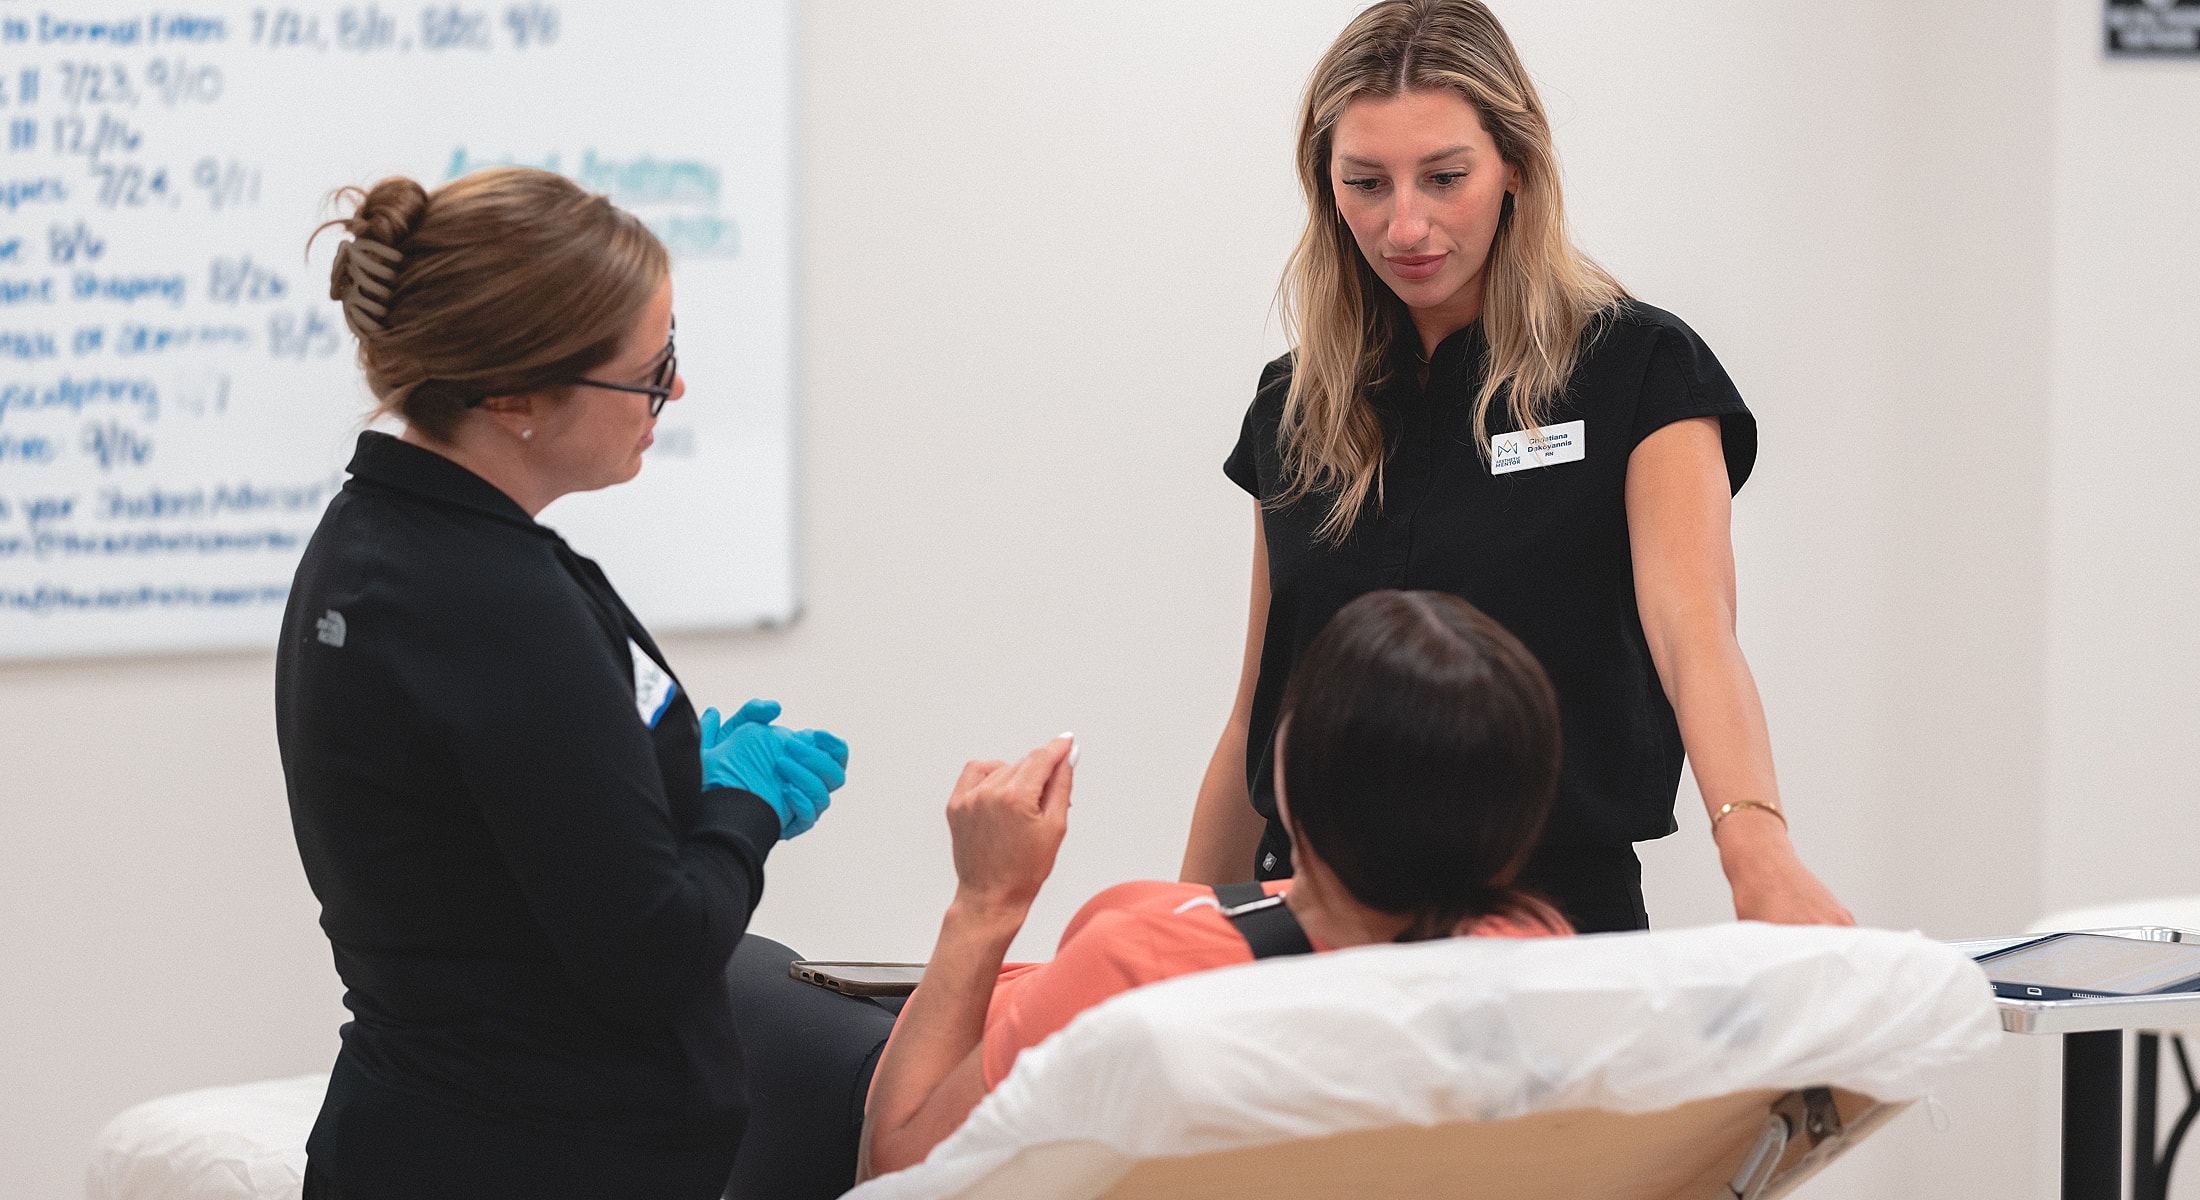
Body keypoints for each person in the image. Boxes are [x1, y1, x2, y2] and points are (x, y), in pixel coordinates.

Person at [1178, 0, 1853, 933]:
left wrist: (1758, 854)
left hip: (1546, 923)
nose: (1405, 226)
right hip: (1312, 928)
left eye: (1444, 177)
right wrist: (1175, 936)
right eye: (1367, 183)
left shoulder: (1637, 371)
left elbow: (1692, 629)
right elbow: (1261, 701)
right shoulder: (1296, 405)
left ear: (1515, 171)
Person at [277, 167, 848, 1200]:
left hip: (432, 1130)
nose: (672, 391)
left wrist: (656, 780)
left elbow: (488, 835)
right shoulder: (490, 602)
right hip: (528, 1156)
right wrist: (740, 807)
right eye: (648, 369)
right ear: (513, 398)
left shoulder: (377, 537)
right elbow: (654, 955)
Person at [723, 590, 1571, 1193]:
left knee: (732, 970)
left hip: (890, 1086)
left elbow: (897, 1168)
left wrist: (987, 897)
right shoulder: (1529, 955)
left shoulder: (1144, 968)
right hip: (1012, 1035)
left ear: (1290, 777)